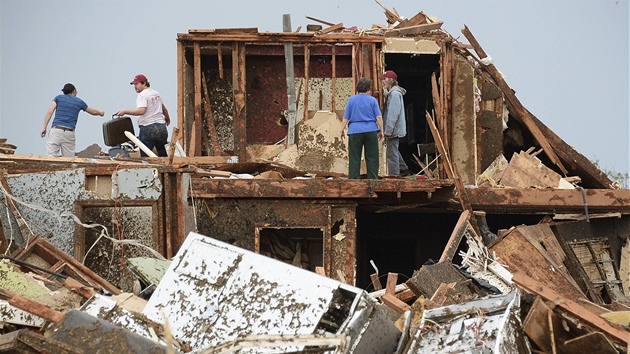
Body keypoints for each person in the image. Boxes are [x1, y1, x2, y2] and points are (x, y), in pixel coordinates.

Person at [41, 83, 105, 157]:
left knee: (50, 157)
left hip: (56, 130)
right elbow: (93, 112)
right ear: (73, 91)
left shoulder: (58, 98)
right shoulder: (79, 102)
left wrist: (44, 127)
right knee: (69, 159)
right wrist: (101, 113)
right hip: (69, 132)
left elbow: (50, 112)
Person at [116, 74, 171, 157]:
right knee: (162, 152)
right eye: (134, 84)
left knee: (145, 156)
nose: (135, 86)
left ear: (144, 83)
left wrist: (125, 111)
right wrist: (167, 119)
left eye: (137, 84)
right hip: (161, 127)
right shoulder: (156, 93)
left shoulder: (142, 95)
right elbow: (164, 109)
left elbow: (141, 110)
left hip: (148, 127)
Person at [340, 77, 384, 179]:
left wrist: (341, 130)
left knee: (354, 157)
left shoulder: (351, 100)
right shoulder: (372, 100)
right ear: (369, 89)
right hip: (371, 130)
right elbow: (379, 117)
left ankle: (354, 180)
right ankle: (373, 180)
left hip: (355, 131)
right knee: (372, 156)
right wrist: (382, 130)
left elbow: (345, 118)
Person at [380, 70, 410, 177]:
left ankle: (395, 175)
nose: (383, 81)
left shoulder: (395, 94)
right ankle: (403, 168)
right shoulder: (393, 94)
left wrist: (387, 130)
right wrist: (384, 93)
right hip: (395, 129)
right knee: (393, 150)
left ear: (391, 80)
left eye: (385, 79)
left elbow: (393, 114)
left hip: (393, 129)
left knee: (391, 153)